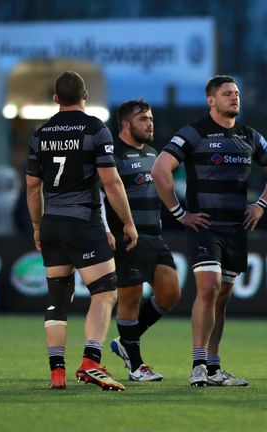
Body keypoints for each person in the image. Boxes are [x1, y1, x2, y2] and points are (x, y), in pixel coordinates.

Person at [152, 75, 267, 387]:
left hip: (237, 228)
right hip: (205, 226)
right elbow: (160, 169)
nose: (234, 97)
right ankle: (198, 364)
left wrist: (261, 205)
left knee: (222, 296)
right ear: (211, 100)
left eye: (237, 93)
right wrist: (179, 213)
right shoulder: (195, 132)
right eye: (227, 93)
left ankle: (214, 368)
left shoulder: (249, 136)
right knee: (209, 287)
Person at [26, 71, 138, 391]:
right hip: (83, 223)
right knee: (104, 293)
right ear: (85, 95)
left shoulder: (41, 133)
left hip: (52, 225)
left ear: (56, 99)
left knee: (57, 298)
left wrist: (37, 224)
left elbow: (33, 186)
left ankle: (57, 373)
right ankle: (90, 362)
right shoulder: (95, 129)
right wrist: (127, 222)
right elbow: (111, 182)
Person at [103, 99, 181, 382]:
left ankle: (127, 341)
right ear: (126, 124)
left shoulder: (153, 154)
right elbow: (100, 195)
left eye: (150, 118)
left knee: (171, 292)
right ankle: (136, 365)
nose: (150, 123)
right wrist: (108, 229)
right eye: (142, 119)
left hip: (154, 235)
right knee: (131, 297)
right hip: (127, 236)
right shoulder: (111, 155)